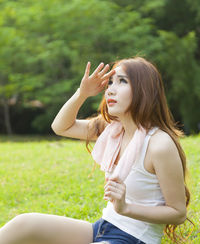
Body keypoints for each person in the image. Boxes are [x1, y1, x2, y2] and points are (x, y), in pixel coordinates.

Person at [0, 57, 190, 244]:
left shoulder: (159, 145)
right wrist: (82, 93)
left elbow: (178, 213)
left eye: (122, 81)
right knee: (24, 224)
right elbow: (61, 127)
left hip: (134, 238)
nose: (110, 90)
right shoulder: (114, 130)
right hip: (102, 228)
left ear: (144, 90)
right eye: (110, 83)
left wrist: (126, 208)